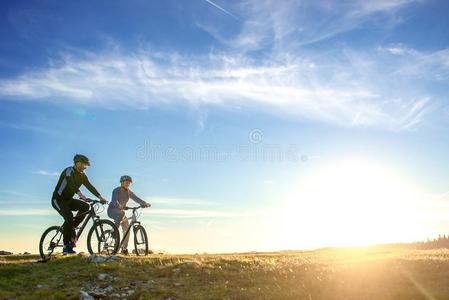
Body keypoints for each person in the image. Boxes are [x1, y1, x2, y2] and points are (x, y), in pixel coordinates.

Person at [51, 154, 108, 254]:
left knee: (85, 207)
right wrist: (80, 194)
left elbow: (90, 187)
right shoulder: (69, 171)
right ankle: (66, 246)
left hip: (69, 200)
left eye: (86, 166)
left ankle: (72, 227)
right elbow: (70, 183)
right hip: (58, 200)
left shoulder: (83, 176)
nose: (85, 167)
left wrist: (100, 197)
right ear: (77, 163)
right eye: (83, 165)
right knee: (69, 217)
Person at [107, 175, 150, 255]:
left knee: (127, 229)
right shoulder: (116, 190)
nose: (128, 184)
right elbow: (114, 201)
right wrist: (118, 205)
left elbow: (136, 198)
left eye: (129, 183)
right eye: (126, 182)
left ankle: (124, 248)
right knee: (122, 213)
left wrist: (144, 203)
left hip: (120, 213)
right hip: (112, 210)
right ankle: (114, 231)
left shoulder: (128, 192)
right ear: (122, 182)